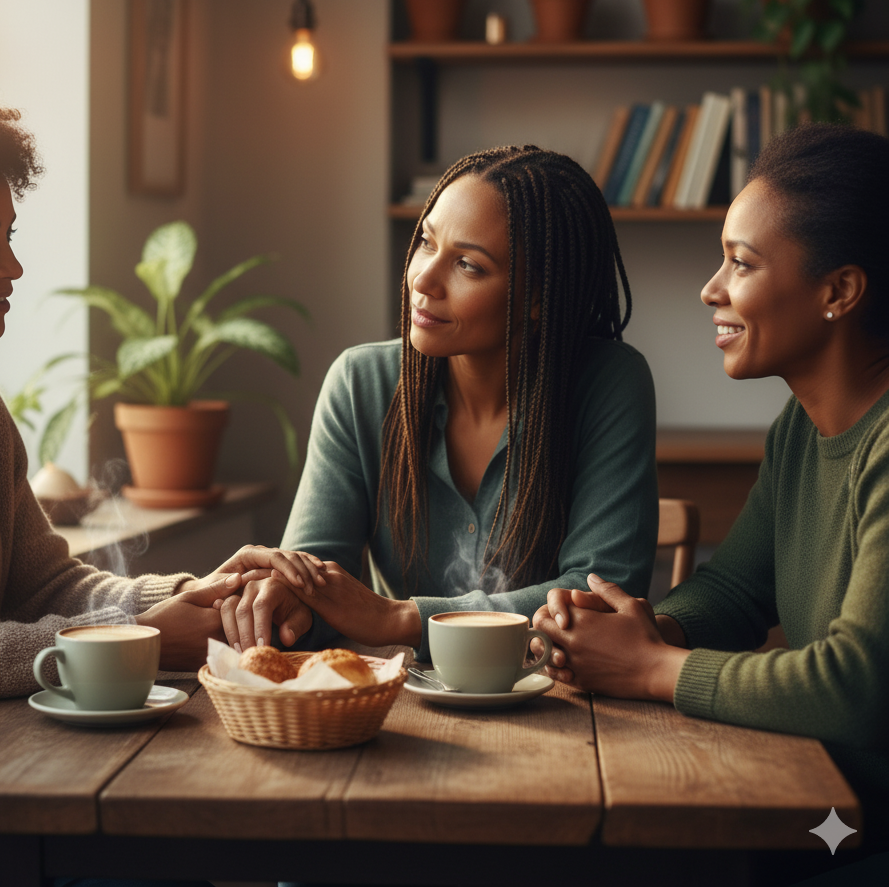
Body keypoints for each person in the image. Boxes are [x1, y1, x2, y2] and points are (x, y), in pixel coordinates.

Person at [0, 74, 322, 887]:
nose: (11, 263)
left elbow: (44, 579)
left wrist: (188, 597)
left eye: (8, 233)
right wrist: (137, 642)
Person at [536, 123, 889, 874]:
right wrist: (646, 625)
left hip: (858, 831)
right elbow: (735, 588)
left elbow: (855, 687)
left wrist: (649, 669)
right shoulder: (800, 428)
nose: (711, 289)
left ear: (840, 292)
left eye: (741, 263)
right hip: (830, 808)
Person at [215, 145, 658, 661]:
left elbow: (599, 598)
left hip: (565, 709)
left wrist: (396, 617)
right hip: (401, 707)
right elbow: (312, 579)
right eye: (427, 242)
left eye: (468, 264)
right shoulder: (361, 384)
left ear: (538, 295)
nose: (422, 279)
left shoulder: (609, 385)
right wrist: (288, 602)